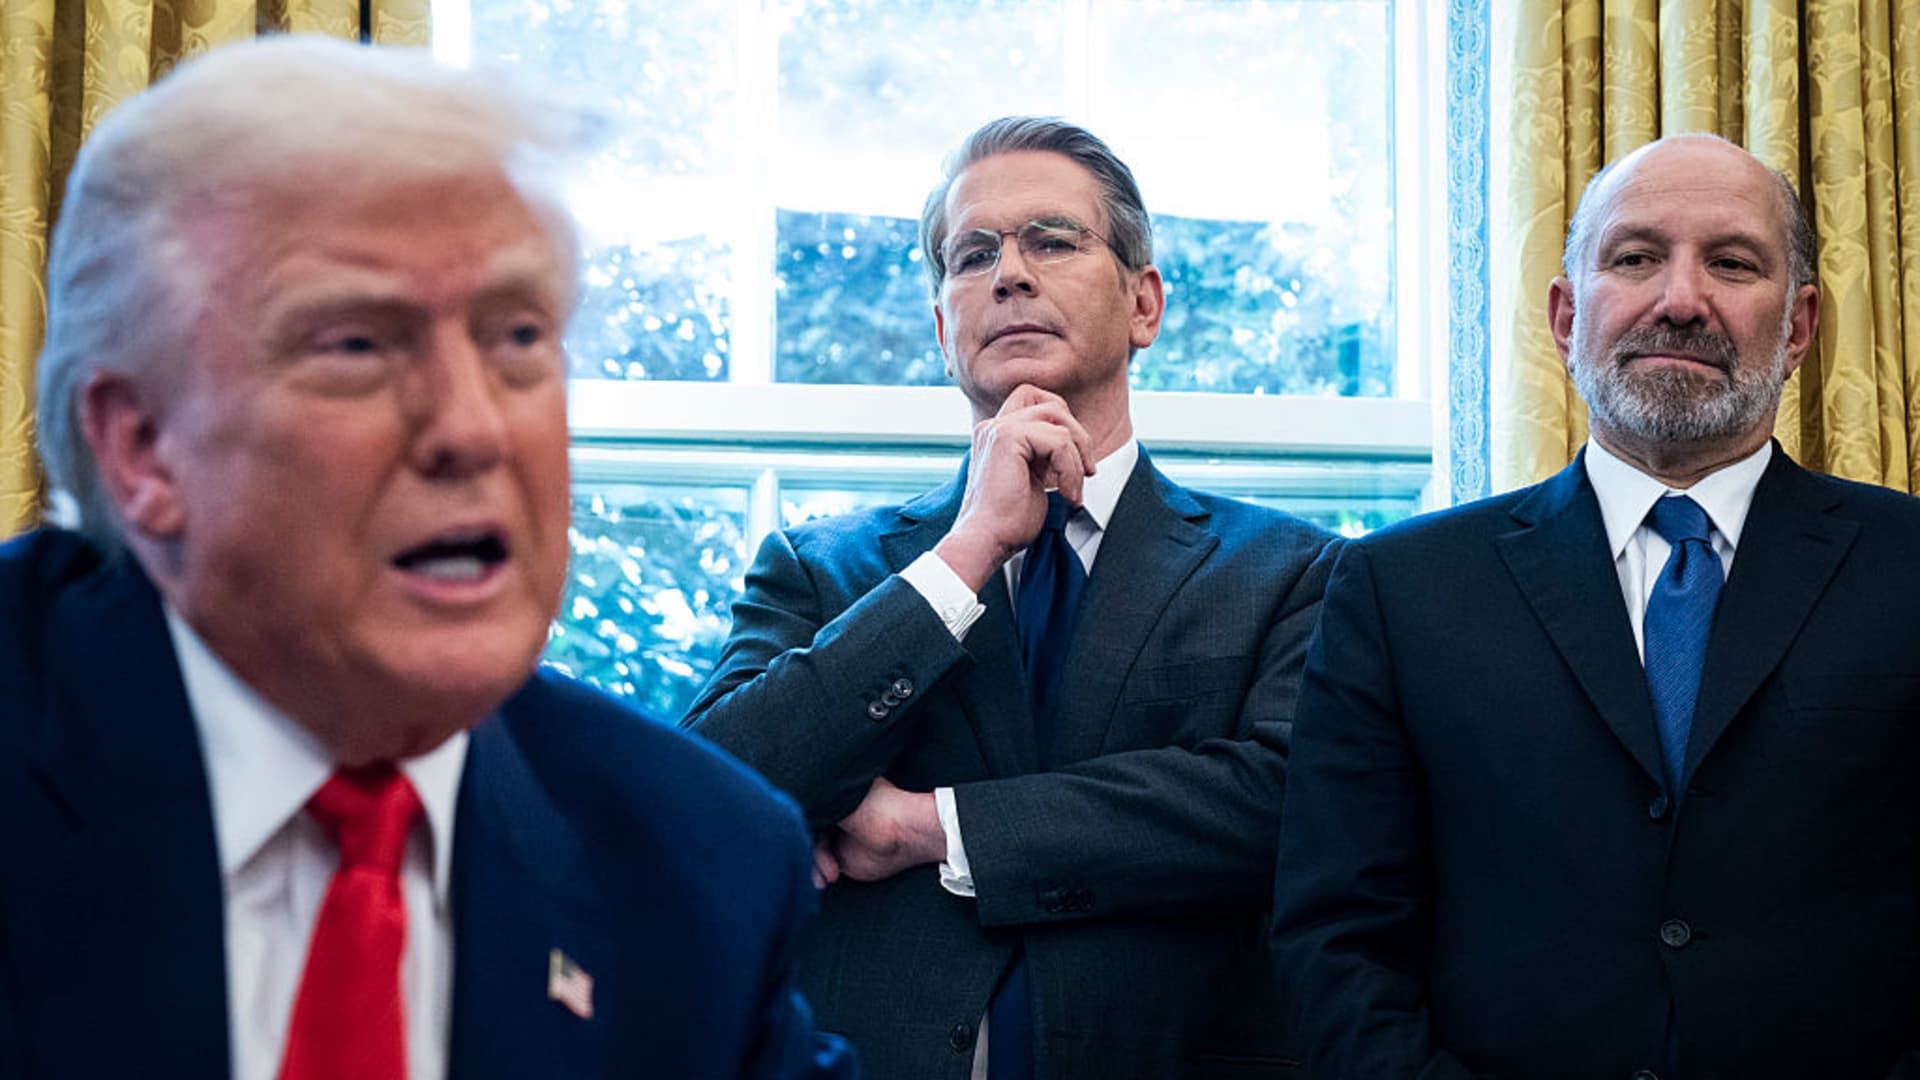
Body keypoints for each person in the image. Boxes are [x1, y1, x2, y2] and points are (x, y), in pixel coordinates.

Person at [0, 35, 853, 1080]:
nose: (475, 428)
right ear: (140, 447)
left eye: (519, 339)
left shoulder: (698, 871)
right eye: (357, 344)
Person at [685, 116, 1337, 1079]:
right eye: (973, 254)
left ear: (1144, 304)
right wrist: (965, 554)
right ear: (946, 328)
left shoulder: (1293, 573)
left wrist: (930, 826)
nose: (1010, 274)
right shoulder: (822, 569)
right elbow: (715, 793)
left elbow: (1284, 808)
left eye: (1054, 241)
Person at [1272, 132, 1920, 1080]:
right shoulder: (1400, 589)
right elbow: (1338, 945)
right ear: (1567, 313)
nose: (1681, 299)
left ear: (1800, 328)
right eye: (1636, 257)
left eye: (1733, 264)